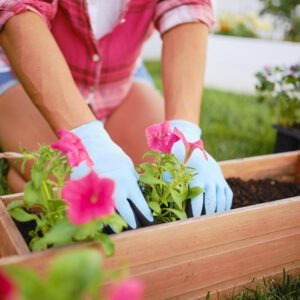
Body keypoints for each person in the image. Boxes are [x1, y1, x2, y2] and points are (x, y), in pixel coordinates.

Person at [0, 0, 233, 229]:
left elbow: (185, 7)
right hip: (23, 75)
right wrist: (87, 138)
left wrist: (185, 131)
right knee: (74, 200)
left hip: (118, 81)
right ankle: (21, 176)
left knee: (167, 187)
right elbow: (17, 9)